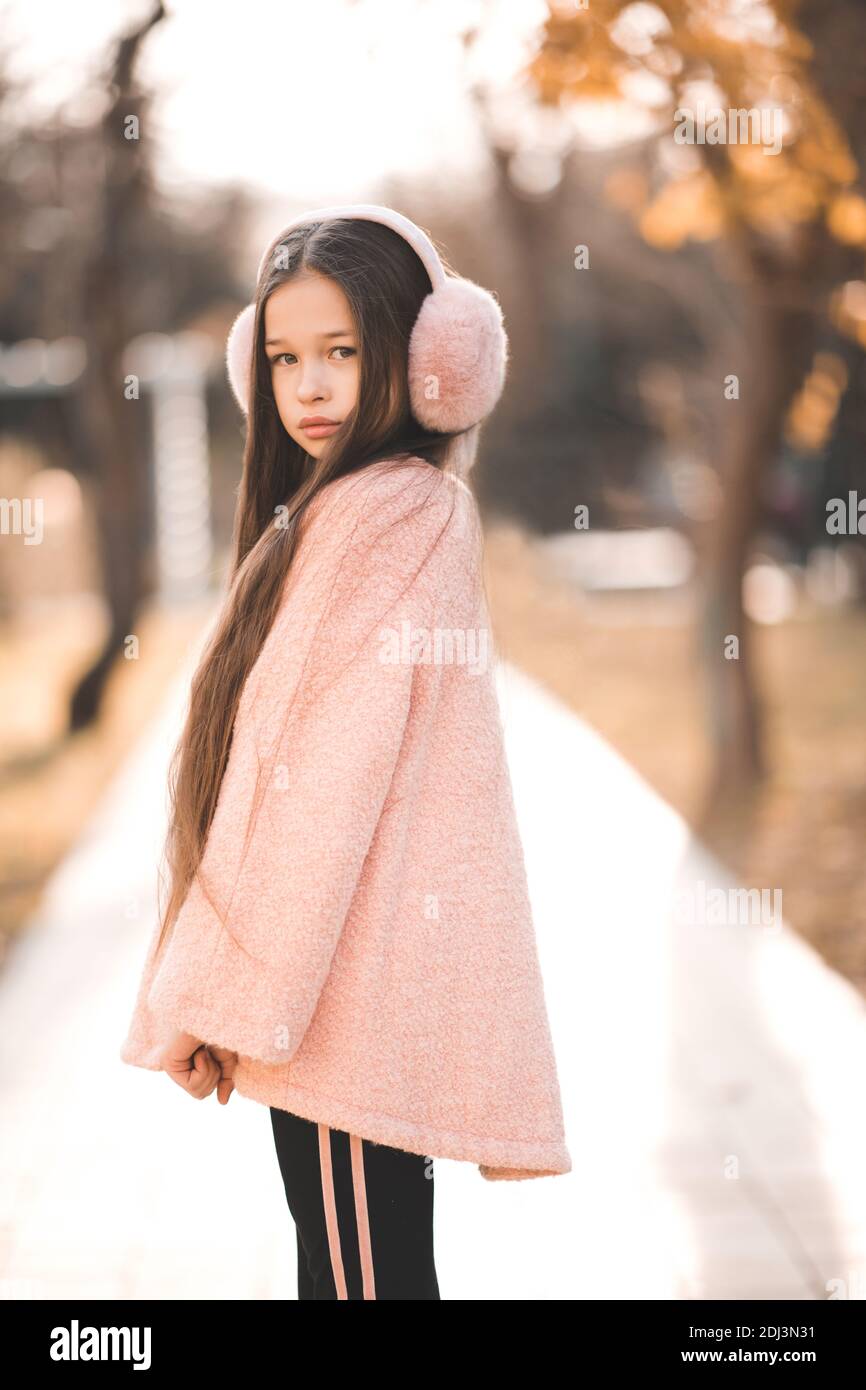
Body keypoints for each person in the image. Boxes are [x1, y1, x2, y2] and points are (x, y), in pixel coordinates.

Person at [120, 205, 571, 1300]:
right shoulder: (346, 513)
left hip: (339, 1002)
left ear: (430, 362)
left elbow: (310, 789)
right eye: (283, 357)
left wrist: (208, 994)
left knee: (363, 1283)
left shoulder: (389, 513)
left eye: (342, 351)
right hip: (328, 991)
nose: (309, 386)